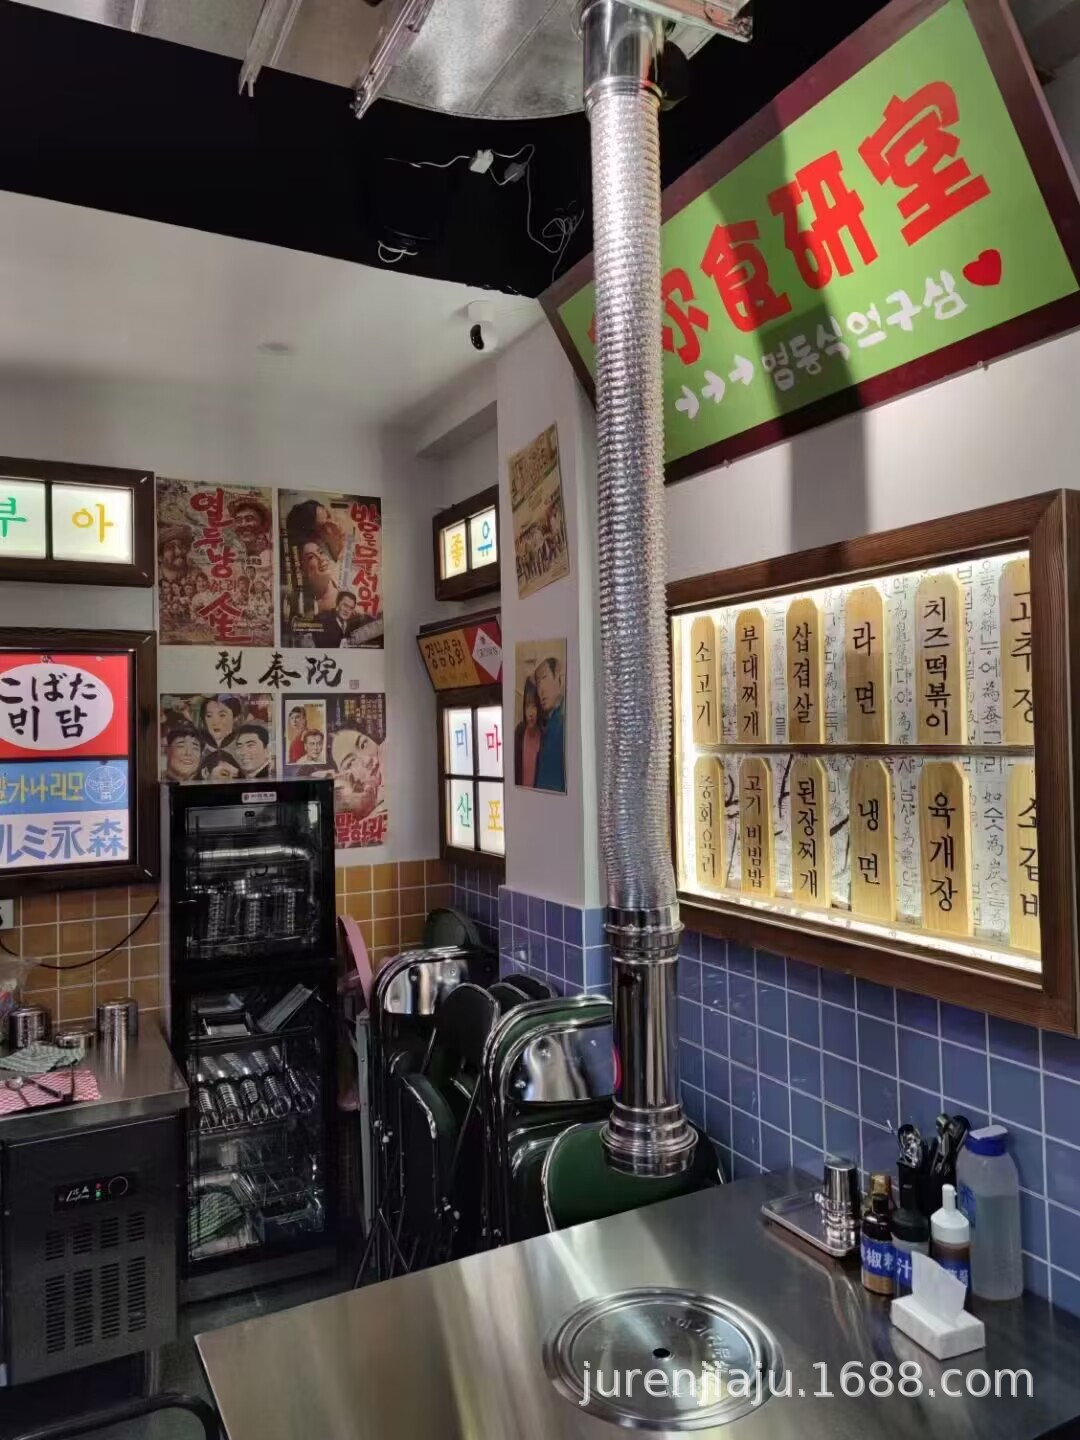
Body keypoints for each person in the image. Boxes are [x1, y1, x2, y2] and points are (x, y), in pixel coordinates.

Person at [534, 656, 566, 792]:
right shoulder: (549, 722)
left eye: (544, 677)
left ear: (559, 680)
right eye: (538, 682)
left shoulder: (562, 722)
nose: (541, 689)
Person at [514, 676, 544, 788]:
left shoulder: (545, 735)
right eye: (527, 706)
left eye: (534, 706)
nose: (530, 713)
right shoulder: (519, 733)